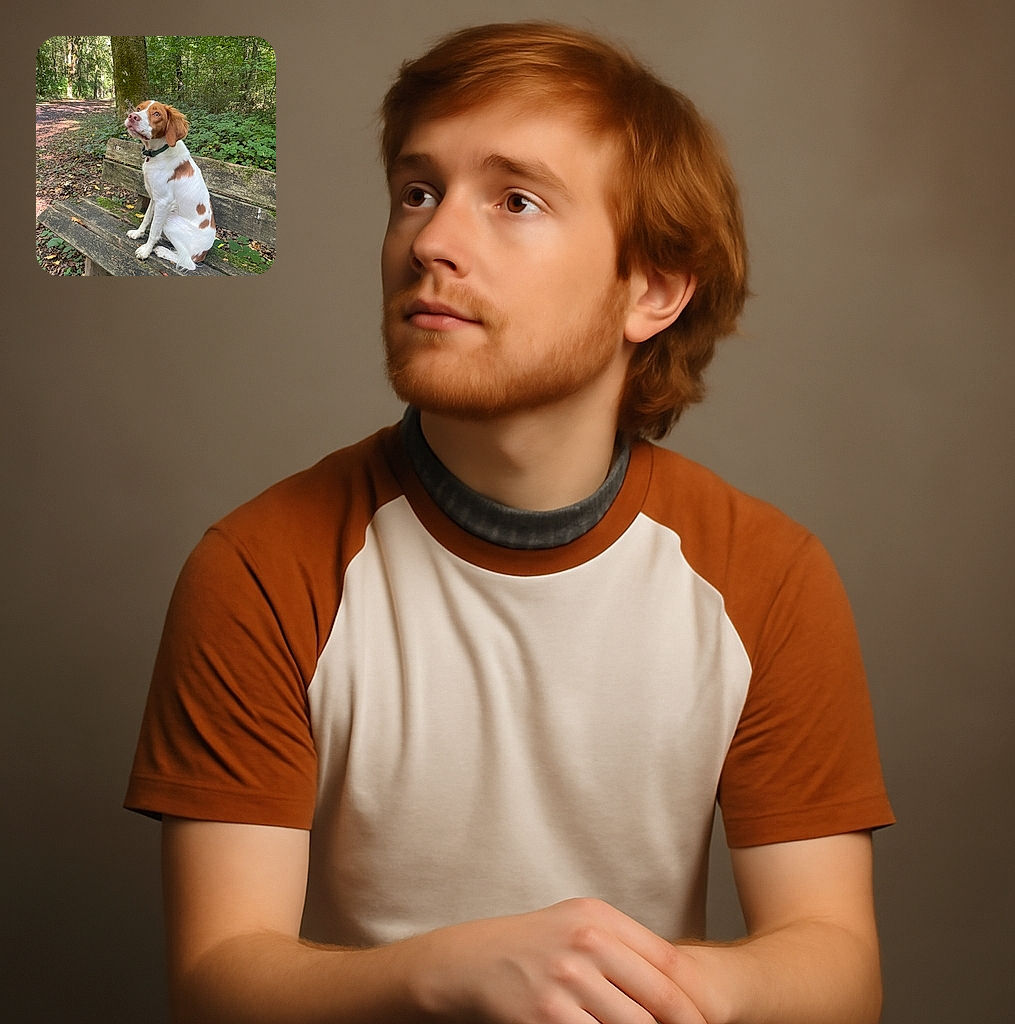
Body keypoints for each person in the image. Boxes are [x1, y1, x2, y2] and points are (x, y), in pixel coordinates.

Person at [126, 21, 894, 1024]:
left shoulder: (769, 575)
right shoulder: (260, 566)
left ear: (652, 288)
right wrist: (445, 972)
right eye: (417, 192)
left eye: (516, 200)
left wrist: (641, 986)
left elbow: (837, 967)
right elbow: (216, 977)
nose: (432, 242)